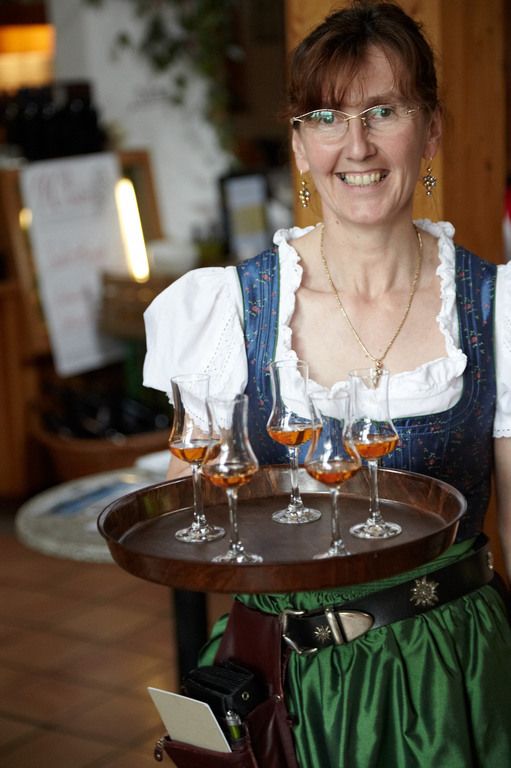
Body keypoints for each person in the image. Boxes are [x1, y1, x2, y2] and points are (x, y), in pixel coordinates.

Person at [143, 1, 511, 765]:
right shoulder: (225, 309)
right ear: (299, 142)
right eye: (325, 118)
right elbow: (190, 516)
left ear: (430, 131)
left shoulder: (495, 308)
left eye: (383, 111)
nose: (356, 146)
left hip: (451, 672)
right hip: (285, 681)